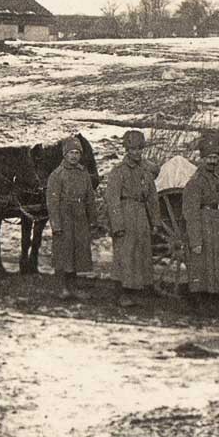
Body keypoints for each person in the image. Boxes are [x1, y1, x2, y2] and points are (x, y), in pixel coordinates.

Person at [103, 129, 158, 307]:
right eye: (133, 149)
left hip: (141, 215)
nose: (137, 153)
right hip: (125, 215)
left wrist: (155, 221)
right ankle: (122, 294)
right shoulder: (118, 172)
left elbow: (152, 197)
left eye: (139, 149)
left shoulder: (146, 171)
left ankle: (137, 291)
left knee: (141, 253)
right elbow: (112, 200)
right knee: (125, 255)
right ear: (126, 150)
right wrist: (117, 225)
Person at [183, 132, 219, 297]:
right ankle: (200, 298)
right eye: (209, 158)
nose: (212, 161)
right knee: (204, 261)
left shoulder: (215, 178)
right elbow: (191, 213)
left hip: (217, 222)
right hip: (204, 223)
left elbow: (218, 197)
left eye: (215, 158)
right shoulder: (195, 181)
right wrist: (195, 240)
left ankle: (216, 294)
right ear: (202, 159)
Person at [45, 136, 98, 299]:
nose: (74, 156)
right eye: (71, 153)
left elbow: (90, 198)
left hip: (80, 217)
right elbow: (52, 202)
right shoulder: (57, 175)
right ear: (64, 154)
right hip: (64, 217)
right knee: (64, 252)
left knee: (77, 252)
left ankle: (73, 286)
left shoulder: (83, 174)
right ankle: (62, 287)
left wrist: (92, 219)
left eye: (77, 153)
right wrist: (56, 224)